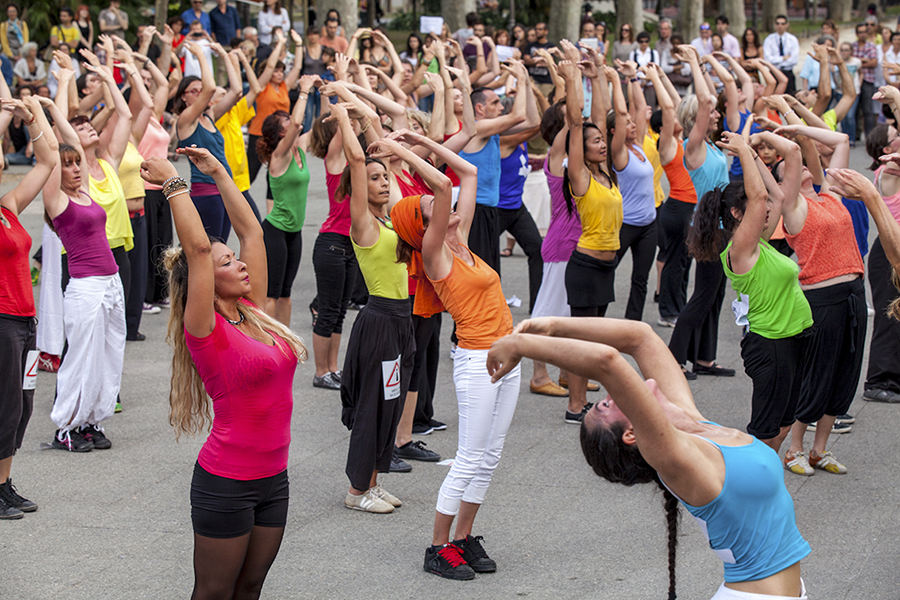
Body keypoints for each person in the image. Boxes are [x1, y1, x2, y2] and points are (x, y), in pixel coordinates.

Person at [484, 317, 811, 600]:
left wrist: (553, 326)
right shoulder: (677, 459)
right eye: (606, 407)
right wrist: (521, 345)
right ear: (631, 434)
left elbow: (640, 338)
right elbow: (607, 362)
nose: (611, 396)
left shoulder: (693, 424)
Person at [143, 146, 306, 600]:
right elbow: (196, 249)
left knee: (250, 587)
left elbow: (252, 231)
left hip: (274, 478)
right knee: (214, 593)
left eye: (236, 259)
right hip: (226, 483)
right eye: (227, 263)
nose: (239, 264)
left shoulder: (252, 312)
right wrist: (173, 182)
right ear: (205, 283)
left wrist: (217, 172)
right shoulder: (205, 328)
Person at [390, 123, 519, 580]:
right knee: (470, 456)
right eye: (431, 208)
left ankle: (463, 538)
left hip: (507, 357)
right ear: (426, 226)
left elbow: (465, 174)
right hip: (478, 361)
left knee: (491, 455)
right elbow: (444, 183)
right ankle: (437, 546)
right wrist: (394, 150)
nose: (440, 202)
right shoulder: (435, 255)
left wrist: (422, 142)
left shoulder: (459, 243)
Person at [42, 62, 130, 452]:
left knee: (109, 355)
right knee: (80, 359)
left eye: (77, 163)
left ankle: (92, 421)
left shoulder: (85, 193)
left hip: (110, 281)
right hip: (84, 286)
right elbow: (54, 148)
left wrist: (56, 106)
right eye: (68, 165)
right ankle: (66, 427)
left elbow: (75, 145)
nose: (75, 167)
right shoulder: (57, 200)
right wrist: (44, 109)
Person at [771, 123, 865, 475]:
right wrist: (783, 136)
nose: (807, 167)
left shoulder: (832, 195)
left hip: (854, 291)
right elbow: (794, 153)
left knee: (845, 374)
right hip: (822, 298)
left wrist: (796, 125)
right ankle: (794, 448)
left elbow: (840, 140)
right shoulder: (793, 208)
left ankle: (819, 450)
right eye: (792, 171)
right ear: (786, 182)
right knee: (818, 374)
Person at [0, 94, 57, 518]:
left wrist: (32, 112)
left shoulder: (8, 208)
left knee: (23, 404)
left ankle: (3, 483)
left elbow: (48, 158)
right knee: (5, 405)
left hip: (25, 320)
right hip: (2, 321)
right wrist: (4, 117)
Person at [561, 58, 624, 422]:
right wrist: (573, 78)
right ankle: (574, 406)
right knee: (582, 343)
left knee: (596, 341)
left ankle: (583, 401)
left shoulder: (607, 174)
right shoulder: (580, 176)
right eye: (595, 141)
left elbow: (598, 117)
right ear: (581, 150)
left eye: (602, 139)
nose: (602, 143)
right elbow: (577, 122)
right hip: (584, 267)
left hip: (606, 268)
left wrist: (597, 74)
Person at [665, 45, 733, 379]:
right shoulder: (692, 148)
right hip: (709, 227)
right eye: (710, 113)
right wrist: (694, 60)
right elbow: (707, 101)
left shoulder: (710, 147)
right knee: (704, 294)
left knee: (715, 294)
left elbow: (713, 100)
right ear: (696, 120)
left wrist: (706, 66)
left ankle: (704, 359)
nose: (716, 113)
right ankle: (673, 360)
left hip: (721, 224)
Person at [255, 75, 315, 326]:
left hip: (295, 232)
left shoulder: (298, 148)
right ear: (280, 132)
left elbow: (322, 124)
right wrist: (303, 91)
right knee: (272, 294)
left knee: (286, 295)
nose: (292, 122)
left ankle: (285, 341)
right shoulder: (279, 156)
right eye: (286, 120)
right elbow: (299, 122)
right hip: (276, 231)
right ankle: (267, 341)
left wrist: (332, 90)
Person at [174, 39, 242, 240]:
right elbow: (210, 88)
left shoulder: (209, 116)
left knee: (223, 248)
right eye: (193, 91)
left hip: (225, 189)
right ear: (183, 97)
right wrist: (201, 54)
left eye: (199, 90)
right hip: (206, 193)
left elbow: (237, 91)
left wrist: (224, 55)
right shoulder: (186, 120)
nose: (199, 94)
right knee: (212, 250)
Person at [611, 59, 656, 323]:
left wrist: (633, 78)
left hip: (649, 224)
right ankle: (595, 317)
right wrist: (617, 83)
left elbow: (639, 107)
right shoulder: (619, 153)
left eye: (633, 123)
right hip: (625, 223)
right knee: (607, 269)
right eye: (627, 123)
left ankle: (632, 323)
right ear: (616, 131)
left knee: (641, 278)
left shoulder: (638, 145)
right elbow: (622, 112)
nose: (633, 124)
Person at [851, 23, 878, 141]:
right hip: (854, 81)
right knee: (855, 108)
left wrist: (858, 63)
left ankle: (869, 135)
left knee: (868, 109)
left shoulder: (871, 46)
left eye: (864, 32)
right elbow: (849, 61)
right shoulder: (853, 46)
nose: (862, 34)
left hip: (868, 80)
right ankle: (856, 134)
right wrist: (864, 61)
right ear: (857, 34)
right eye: (860, 32)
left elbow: (874, 63)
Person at [763, 15, 799, 94]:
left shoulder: (792, 39)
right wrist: (783, 58)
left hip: (788, 72)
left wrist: (776, 60)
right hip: (774, 73)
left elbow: (794, 60)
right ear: (775, 25)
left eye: (782, 24)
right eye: (778, 23)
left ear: (786, 25)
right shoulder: (769, 40)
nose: (780, 26)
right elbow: (768, 59)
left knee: (790, 96)